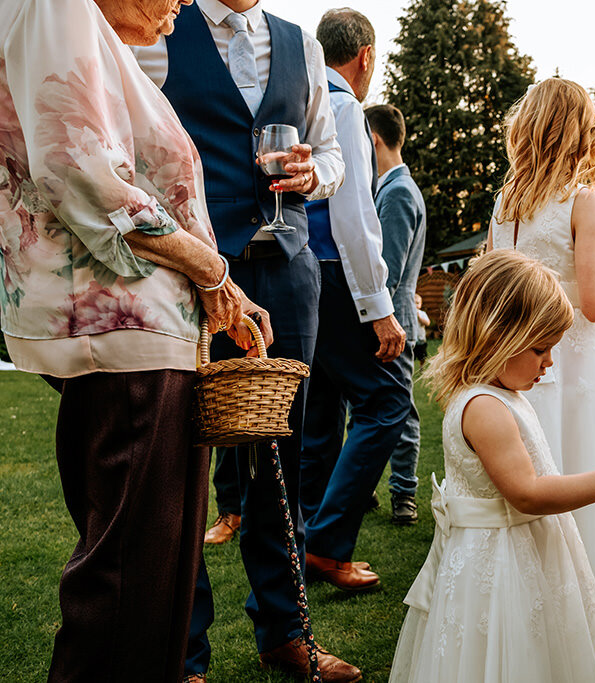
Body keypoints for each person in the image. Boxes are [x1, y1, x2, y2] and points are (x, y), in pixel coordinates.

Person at [0, 0, 270, 679]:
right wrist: (212, 269)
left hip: (149, 342)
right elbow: (78, 169)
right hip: (124, 342)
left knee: (153, 599)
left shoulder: (99, 37)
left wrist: (214, 287)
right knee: (126, 597)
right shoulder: (55, 5)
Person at [130, 1, 359, 680]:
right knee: (183, 462)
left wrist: (315, 175)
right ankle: (185, 652)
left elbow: (333, 153)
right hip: (190, 278)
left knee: (281, 456)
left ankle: (286, 632)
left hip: (289, 273)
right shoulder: (159, 28)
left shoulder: (300, 45)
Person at [389, 249, 595, 683]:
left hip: (524, 547)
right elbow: (527, 493)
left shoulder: (504, 395)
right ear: (499, 336)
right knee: (508, 652)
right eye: (540, 350)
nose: (549, 363)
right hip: (500, 562)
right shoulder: (485, 408)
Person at [488, 78, 595, 632]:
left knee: (537, 471)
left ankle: (535, 600)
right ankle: (594, 604)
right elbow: (591, 303)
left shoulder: (506, 202)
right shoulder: (583, 201)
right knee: (587, 465)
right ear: (584, 133)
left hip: (519, 358)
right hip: (577, 363)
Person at [300, 8, 410, 593]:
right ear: (365, 55)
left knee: (319, 416)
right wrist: (379, 306)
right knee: (388, 401)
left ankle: (306, 537)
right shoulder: (342, 104)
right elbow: (353, 213)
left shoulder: (297, 94)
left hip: (300, 273)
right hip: (337, 272)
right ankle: (326, 544)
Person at [366, 103, 428, 525]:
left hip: (394, 318)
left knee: (401, 409)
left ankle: (403, 493)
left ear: (373, 140)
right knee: (375, 405)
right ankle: (366, 485)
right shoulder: (389, 188)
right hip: (390, 315)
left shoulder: (398, 192)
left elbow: (387, 265)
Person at [413, 293, 430, 370]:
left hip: (421, 340)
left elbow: (427, 323)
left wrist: (419, 317)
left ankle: (421, 366)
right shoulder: (409, 314)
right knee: (411, 356)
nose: (415, 305)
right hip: (412, 339)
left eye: (417, 303)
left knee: (422, 356)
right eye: (413, 303)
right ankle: (411, 367)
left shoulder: (422, 314)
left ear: (420, 304)